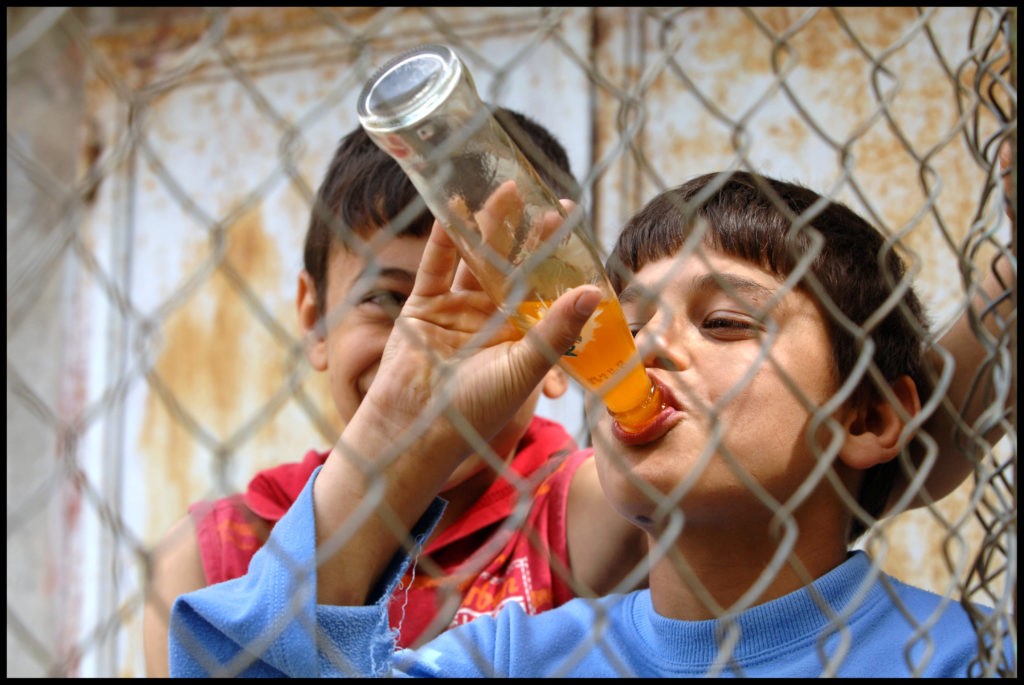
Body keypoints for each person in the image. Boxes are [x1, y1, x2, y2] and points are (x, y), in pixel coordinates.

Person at [167, 169, 1015, 677]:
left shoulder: (966, 656)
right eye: (626, 325)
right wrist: (399, 434)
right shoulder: (510, 660)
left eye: (722, 322)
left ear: (868, 414)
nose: (645, 353)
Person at [142, 110, 646, 677]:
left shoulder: (597, 513)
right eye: (385, 300)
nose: (421, 349)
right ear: (314, 321)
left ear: (561, 340)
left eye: (484, 307)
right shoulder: (214, 557)